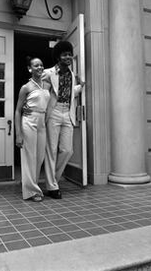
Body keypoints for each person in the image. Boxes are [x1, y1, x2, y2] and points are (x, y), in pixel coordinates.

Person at [42, 41, 85, 199]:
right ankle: (52, 186)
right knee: (51, 150)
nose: (68, 57)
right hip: (53, 112)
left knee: (67, 150)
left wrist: (80, 86)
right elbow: (39, 89)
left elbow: (69, 93)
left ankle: (52, 179)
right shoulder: (48, 73)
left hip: (67, 112)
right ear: (58, 57)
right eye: (64, 54)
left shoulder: (73, 75)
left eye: (69, 54)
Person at [15, 57, 50, 202]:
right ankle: (32, 191)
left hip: (42, 122)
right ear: (30, 69)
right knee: (30, 156)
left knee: (40, 156)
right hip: (29, 121)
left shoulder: (47, 85)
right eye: (36, 65)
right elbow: (18, 111)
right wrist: (18, 134)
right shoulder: (26, 87)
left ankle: (31, 184)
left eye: (42, 65)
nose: (40, 67)